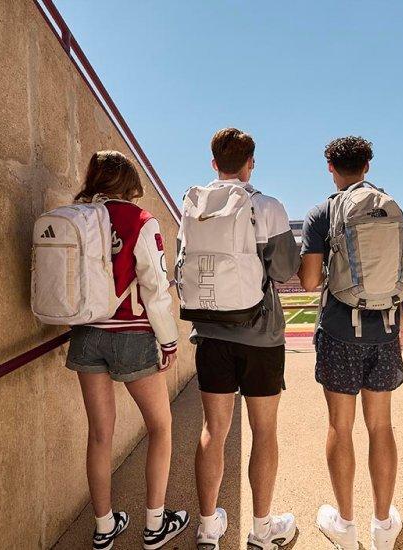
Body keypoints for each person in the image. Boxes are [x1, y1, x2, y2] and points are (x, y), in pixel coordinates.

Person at [64, 151, 189, 550]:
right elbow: (155, 288)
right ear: (130, 181)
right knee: (161, 427)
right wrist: (168, 340)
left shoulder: (77, 218)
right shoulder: (140, 220)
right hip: (132, 335)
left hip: (86, 334)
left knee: (100, 434)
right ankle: (155, 525)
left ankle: (104, 527)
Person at [183, 128, 301, 550]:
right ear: (251, 162)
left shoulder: (193, 205)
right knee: (263, 430)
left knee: (213, 430)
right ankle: (262, 528)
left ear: (213, 162)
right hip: (261, 335)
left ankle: (208, 527)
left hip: (210, 333)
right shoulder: (266, 205)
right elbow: (286, 269)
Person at [298, 136, 403, 550]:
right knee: (381, 426)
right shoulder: (390, 206)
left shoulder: (322, 212)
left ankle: (345, 525)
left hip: (340, 330)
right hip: (385, 330)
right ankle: (383, 525)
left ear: (330, 167)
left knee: (340, 427)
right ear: (368, 165)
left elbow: (308, 280)